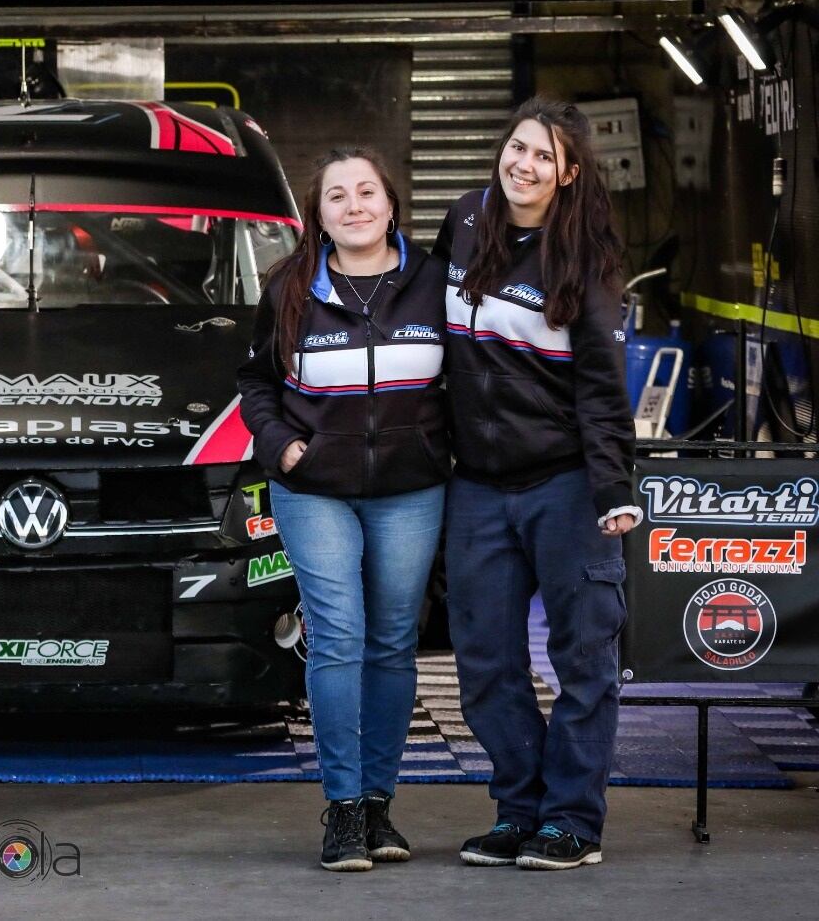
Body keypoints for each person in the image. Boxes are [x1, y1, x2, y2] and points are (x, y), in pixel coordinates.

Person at [435, 96, 638, 871]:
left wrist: (611, 486)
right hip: (477, 486)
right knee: (485, 661)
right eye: (518, 148)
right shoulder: (463, 220)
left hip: (565, 486)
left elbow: (600, 385)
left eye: (544, 157)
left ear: (569, 173)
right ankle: (519, 812)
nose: (524, 164)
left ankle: (573, 822)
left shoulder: (584, 258)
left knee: (584, 657)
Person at [238, 147, 450, 872]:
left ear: (391, 204)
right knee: (337, 634)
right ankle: (344, 809)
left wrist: (443, 449)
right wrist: (281, 448)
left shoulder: (435, 287)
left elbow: (472, 376)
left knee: (392, 640)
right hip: (315, 488)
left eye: (367, 192)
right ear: (319, 215)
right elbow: (257, 383)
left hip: (410, 489)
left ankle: (380, 807)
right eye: (338, 196)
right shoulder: (289, 287)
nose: (355, 206)